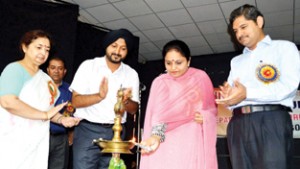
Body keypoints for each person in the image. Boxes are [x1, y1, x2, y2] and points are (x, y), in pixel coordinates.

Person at [216, 4, 300, 169]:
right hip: (238, 124)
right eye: (235, 31)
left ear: (259, 21)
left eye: (243, 27)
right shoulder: (236, 61)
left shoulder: (284, 48)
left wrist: (247, 93)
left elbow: (288, 87)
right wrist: (229, 96)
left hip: (271, 120)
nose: (239, 34)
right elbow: (233, 98)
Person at [0, 29, 80, 169]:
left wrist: (62, 119)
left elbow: (48, 111)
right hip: (13, 139)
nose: (43, 53)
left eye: (47, 49)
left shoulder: (46, 80)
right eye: (39, 47)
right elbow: (8, 101)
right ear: (25, 47)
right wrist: (44, 115)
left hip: (38, 142)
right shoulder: (14, 70)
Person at [139, 40, 218, 169]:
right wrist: (155, 137)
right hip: (166, 141)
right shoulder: (160, 82)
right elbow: (158, 116)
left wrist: (205, 116)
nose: (173, 67)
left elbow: (211, 109)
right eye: (168, 63)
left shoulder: (200, 77)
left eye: (178, 62)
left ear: (188, 61)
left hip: (191, 137)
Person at [70, 28, 139, 169]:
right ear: (106, 45)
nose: (117, 51)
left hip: (115, 133)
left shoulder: (131, 74)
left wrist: (125, 100)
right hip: (87, 131)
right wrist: (99, 96)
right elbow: (75, 101)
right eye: (114, 46)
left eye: (123, 48)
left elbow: (133, 109)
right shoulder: (88, 66)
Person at [47, 56, 74, 169]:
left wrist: (71, 135)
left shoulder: (70, 90)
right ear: (48, 70)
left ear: (65, 71)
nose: (56, 71)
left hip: (61, 138)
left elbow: (73, 112)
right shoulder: (39, 87)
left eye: (60, 68)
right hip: (41, 135)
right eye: (53, 68)